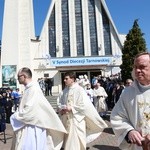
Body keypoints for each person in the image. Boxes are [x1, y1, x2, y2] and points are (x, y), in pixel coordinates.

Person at [10, 67, 67, 150]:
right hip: (28, 124)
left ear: (24, 76)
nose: (17, 79)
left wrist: (15, 116)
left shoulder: (34, 89)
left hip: (33, 126)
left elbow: (30, 111)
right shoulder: (29, 89)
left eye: (18, 76)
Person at [57, 71, 107, 150]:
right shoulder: (64, 91)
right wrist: (61, 109)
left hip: (76, 120)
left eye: (66, 79)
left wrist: (71, 108)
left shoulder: (79, 90)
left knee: (75, 142)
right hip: (66, 119)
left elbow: (84, 105)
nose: (64, 80)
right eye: (64, 79)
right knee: (68, 142)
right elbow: (59, 103)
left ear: (72, 79)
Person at [110, 52, 150, 150]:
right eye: (135, 67)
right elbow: (117, 116)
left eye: (142, 67)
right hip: (137, 145)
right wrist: (129, 131)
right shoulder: (128, 92)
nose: (137, 70)